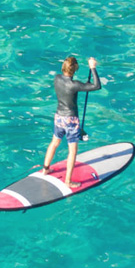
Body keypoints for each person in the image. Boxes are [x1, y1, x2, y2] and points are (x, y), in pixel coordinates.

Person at [41, 56, 101, 187]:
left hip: (59, 117)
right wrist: (92, 67)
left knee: (54, 143)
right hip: (71, 120)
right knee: (72, 151)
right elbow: (96, 86)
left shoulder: (57, 78)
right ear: (75, 69)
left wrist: (85, 83)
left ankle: (45, 169)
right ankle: (68, 181)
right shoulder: (75, 85)